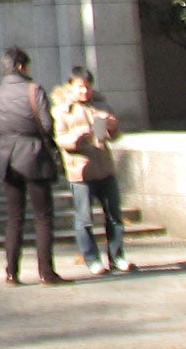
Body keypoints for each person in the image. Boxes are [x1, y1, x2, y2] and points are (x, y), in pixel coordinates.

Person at [0, 45, 65, 285]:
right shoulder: (34, 89)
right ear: (21, 66)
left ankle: (11, 271)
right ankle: (46, 271)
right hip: (33, 154)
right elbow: (46, 123)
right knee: (43, 216)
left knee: (15, 217)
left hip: (7, 156)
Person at [53, 66, 132, 275]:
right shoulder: (62, 109)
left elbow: (114, 136)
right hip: (81, 171)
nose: (84, 92)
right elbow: (60, 140)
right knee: (84, 218)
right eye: (80, 87)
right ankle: (91, 258)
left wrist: (113, 127)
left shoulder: (101, 105)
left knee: (114, 216)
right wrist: (76, 137)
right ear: (71, 87)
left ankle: (117, 256)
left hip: (104, 166)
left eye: (87, 87)